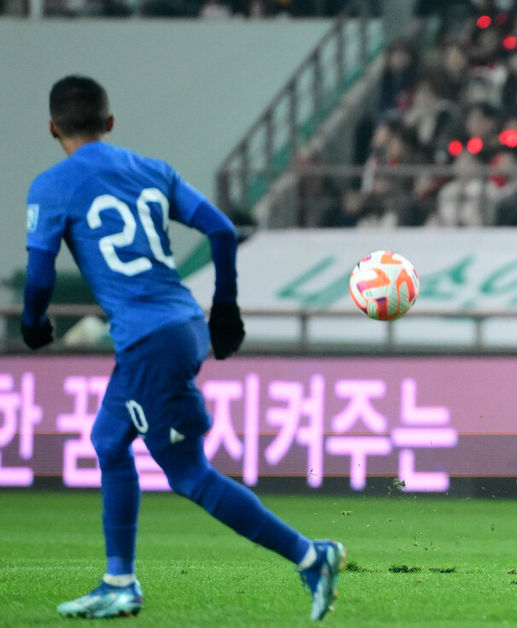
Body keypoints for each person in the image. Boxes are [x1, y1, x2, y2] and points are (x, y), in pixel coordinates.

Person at [20, 76, 345, 620]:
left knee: (190, 474)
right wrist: (226, 308)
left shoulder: (53, 185)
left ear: (53, 127)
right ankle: (118, 580)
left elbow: (38, 275)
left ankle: (311, 556)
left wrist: (33, 323)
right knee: (108, 439)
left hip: (149, 340)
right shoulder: (152, 169)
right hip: (179, 324)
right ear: (110, 123)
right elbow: (221, 229)